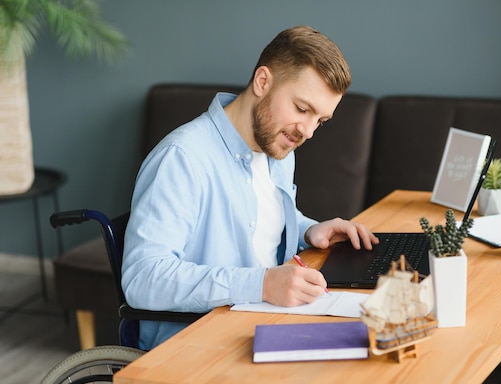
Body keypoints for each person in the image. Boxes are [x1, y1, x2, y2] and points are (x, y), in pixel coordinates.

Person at [121, 26, 379, 350]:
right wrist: (263, 284)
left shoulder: (278, 147)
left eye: (321, 120)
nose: (309, 132)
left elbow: (256, 217)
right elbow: (143, 278)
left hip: (265, 321)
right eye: (302, 109)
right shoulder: (182, 159)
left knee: (372, 343)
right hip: (197, 346)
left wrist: (308, 230)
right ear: (262, 82)